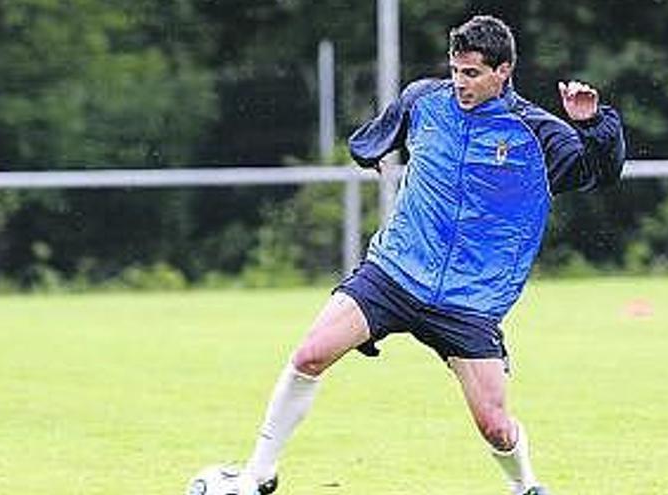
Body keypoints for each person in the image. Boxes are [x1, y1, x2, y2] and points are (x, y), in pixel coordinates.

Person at [232, 14, 626, 495]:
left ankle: (526, 486)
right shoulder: (425, 100)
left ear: (504, 71)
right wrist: (369, 151)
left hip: (471, 298)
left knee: (495, 427)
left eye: (472, 73)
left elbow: (600, 172)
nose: (460, 82)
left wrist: (593, 124)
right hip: (395, 272)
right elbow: (380, 133)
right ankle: (257, 474)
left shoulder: (537, 135)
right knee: (309, 355)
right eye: (456, 70)